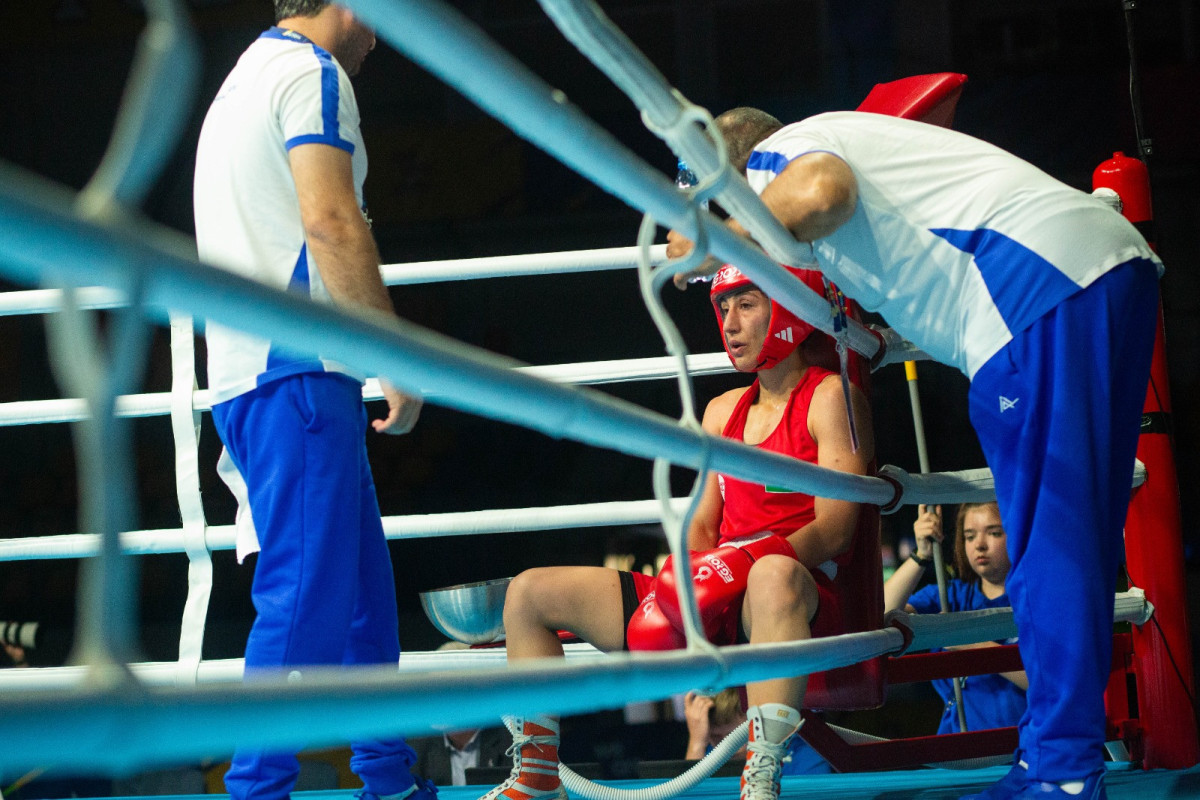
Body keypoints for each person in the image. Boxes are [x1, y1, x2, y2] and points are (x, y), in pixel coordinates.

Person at [667, 107, 1160, 800]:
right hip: (1100, 273)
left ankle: (1063, 771)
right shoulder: (837, 163)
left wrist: (722, 235)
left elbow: (822, 193)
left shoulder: (778, 157)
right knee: (1074, 537)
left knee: (1050, 549)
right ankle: (1055, 754)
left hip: (1032, 291)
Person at [485, 264, 873, 800]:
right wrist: (684, 588)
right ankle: (535, 777)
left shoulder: (829, 396)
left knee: (772, 575)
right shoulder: (721, 412)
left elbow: (836, 529)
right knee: (530, 591)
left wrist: (744, 564)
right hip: (721, 590)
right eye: (722, 308)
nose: (730, 324)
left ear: (786, 307)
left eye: (747, 304)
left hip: (788, 600)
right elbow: (702, 526)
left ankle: (761, 776)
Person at [193, 5, 432, 800]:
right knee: (304, 597)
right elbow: (330, 221)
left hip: (265, 373)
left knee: (362, 597)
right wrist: (390, 357)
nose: (383, 34)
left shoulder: (243, 78)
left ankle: (389, 779)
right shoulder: (310, 72)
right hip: (291, 373)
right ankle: (256, 791)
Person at [884, 502, 1027, 734]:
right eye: (969, 536)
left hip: (1025, 752)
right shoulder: (950, 595)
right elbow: (882, 616)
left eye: (994, 533)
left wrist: (973, 642)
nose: (979, 545)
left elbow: (1053, 680)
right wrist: (921, 556)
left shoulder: (1038, 600)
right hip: (959, 753)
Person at [683, 688, 831, 775]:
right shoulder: (707, 757)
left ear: (757, 719)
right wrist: (696, 744)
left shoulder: (805, 754)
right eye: (715, 736)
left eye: (733, 735)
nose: (726, 745)